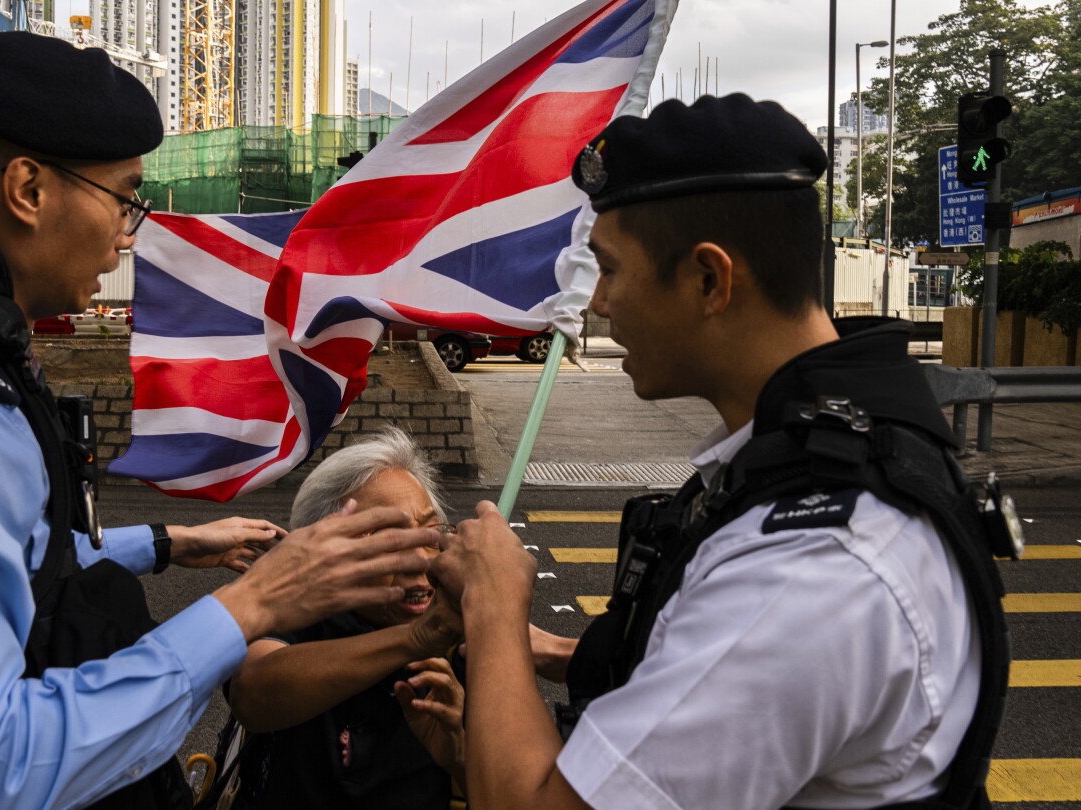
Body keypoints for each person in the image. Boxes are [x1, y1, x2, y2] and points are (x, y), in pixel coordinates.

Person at [0, 32, 441, 810]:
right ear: (28, 189)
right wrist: (251, 607)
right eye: (125, 199)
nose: (130, 235)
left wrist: (170, 545)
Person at [432, 94, 1012, 810]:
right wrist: (543, 650)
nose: (600, 303)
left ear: (709, 280)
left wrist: (493, 603)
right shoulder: (811, 455)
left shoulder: (812, 569)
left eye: (610, 270)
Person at [214, 427, 466, 809]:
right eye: (389, 539)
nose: (422, 560)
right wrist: (416, 639)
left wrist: (460, 757)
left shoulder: (465, 639)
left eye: (431, 533)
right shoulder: (298, 615)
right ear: (326, 552)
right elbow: (254, 692)